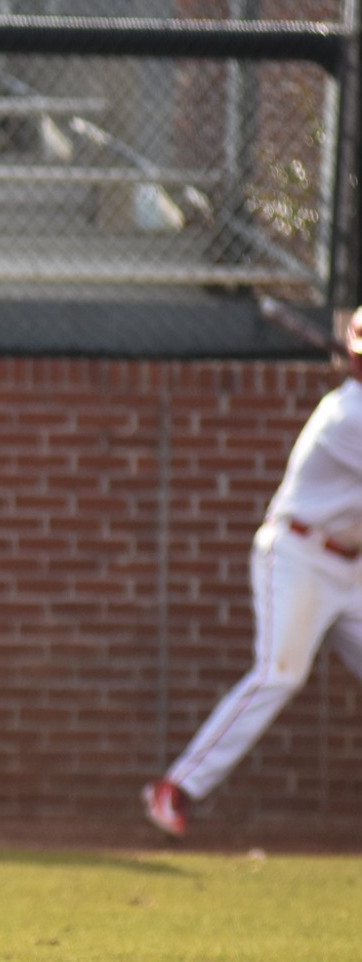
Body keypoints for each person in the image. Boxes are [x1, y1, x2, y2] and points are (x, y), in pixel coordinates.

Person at [145, 307, 362, 838]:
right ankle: (176, 787)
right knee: (279, 673)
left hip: (352, 567)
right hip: (298, 556)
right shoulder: (346, 415)